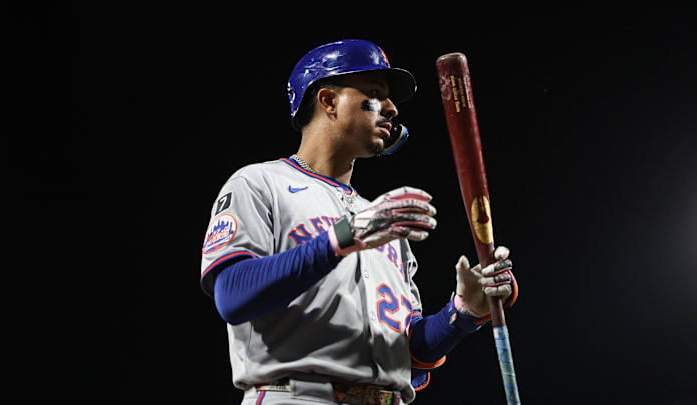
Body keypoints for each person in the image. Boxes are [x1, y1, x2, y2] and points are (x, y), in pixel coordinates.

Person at [199, 39, 518, 405]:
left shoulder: (383, 223)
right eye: (374, 93)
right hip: (297, 396)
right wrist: (342, 238)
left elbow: (411, 357)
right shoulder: (259, 184)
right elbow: (232, 296)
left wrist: (462, 313)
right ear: (329, 101)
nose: (392, 108)